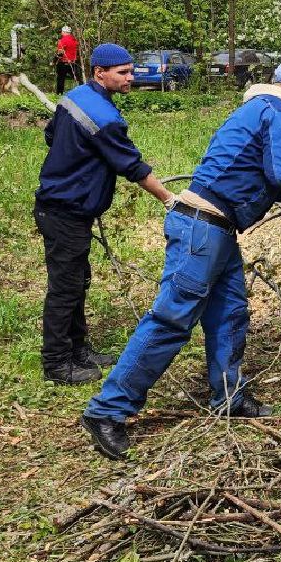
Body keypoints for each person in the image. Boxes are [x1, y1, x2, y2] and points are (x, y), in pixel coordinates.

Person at [80, 57, 281, 460]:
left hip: (216, 228)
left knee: (230, 312)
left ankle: (229, 397)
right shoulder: (278, 111)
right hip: (202, 229)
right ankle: (107, 411)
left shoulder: (257, 109)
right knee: (172, 318)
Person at [35, 43, 175, 384]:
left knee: (79, 281)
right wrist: (169, 198)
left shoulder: (75, 97)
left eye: (130, 71)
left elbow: (50, 134)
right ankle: (56, 364)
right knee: (65, 287)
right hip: (63, 210)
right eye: (123, 73)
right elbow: (133, 166)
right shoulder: (105, 117)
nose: (130, 77)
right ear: (101, 72)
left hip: (69, 209)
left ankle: (78, 350)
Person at [55, 26, 81, 95]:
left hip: (63, 62)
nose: (61, 33)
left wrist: (55, 60)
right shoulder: (74, 40)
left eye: (62, 31)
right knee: (77, 79)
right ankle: (81, 92)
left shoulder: (63, 40)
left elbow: (60, 53)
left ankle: (59, 94)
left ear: (64, 32)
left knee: (60, 79)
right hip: (73, 62)